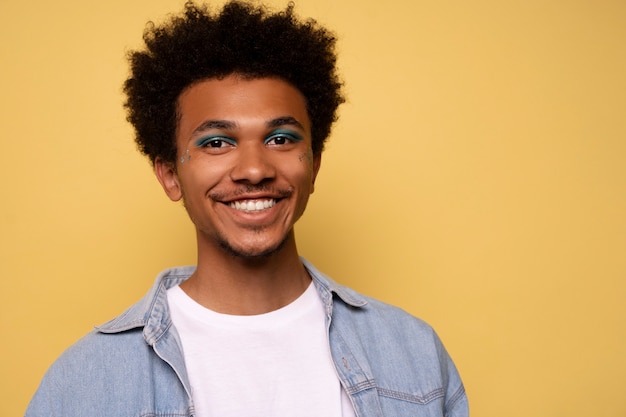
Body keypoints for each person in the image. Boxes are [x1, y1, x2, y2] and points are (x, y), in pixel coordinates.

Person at [26, 1, 468, 416]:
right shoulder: (83, 385)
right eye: (216, 142)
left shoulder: (414, 354)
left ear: (313, 165)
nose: (254, 169)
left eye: (280, 139)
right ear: (169, 175)